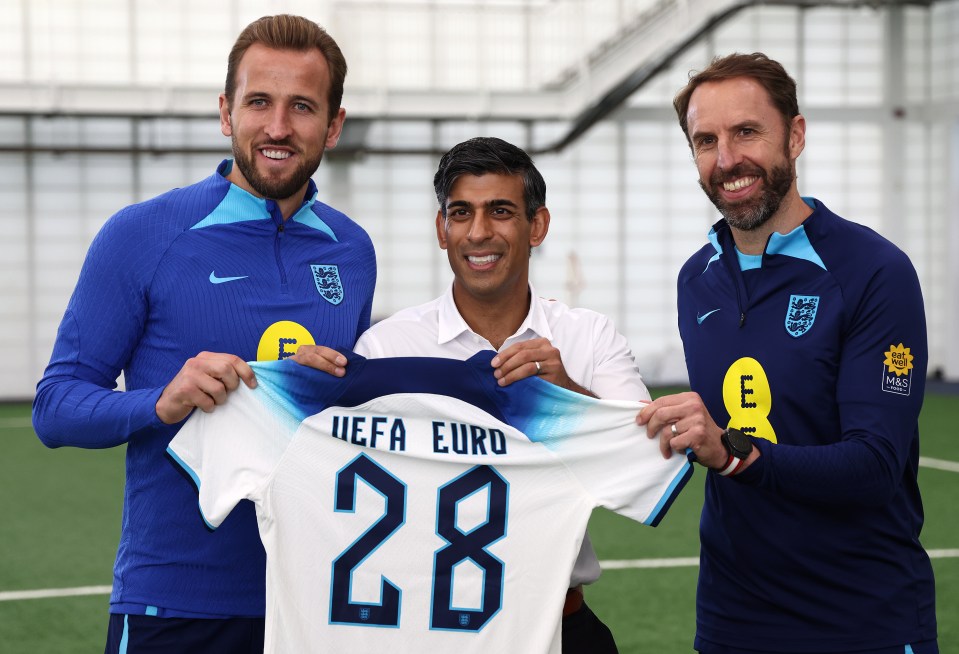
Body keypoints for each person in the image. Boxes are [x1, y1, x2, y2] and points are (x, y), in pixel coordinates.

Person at [31, 14, 375, 653]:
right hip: (175, 607)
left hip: (316, 606)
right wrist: (160, 401)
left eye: (302, 107)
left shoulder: (352, 250)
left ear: (333, 125)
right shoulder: (144, 234)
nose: (277, 127)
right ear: (225, 111)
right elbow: (55, 408)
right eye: (258, 103)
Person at [297, 136, 647, 653]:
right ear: (442, 229)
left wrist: (568, 397)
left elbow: (644, 468)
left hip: (556, 623)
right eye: (461, 213)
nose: (479, 232)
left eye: (500, 211)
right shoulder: (386, 346)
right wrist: (296, 400)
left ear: (538, 226)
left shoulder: (589, 337)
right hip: (421, 629)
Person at [637, 52, 938, 653]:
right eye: (706, 140)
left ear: (794, 135)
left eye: (747, 132)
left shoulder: (874, 272)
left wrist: (733, 454)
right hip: (731, 622)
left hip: (860, 622)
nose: (727, 160)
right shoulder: (696, 278)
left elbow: (875, 466)